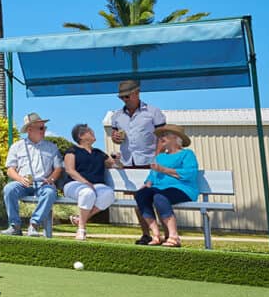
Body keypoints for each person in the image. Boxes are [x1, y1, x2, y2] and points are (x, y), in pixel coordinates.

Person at [109, 79, 167, 244]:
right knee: (139, 200)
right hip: (129, 163)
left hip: (150, 162)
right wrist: (115, 138)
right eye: (121, 97)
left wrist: (157, 159)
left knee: (157, 198)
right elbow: (116, 138)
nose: (124, 100)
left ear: (137, 92)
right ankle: (147, 235)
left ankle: (169, 235)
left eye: (127, 96)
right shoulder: (117, 116)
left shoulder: (153, 112)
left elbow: (162, 138)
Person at [133, 124, 198, 247]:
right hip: (159, 188)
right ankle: (156, 235)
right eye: (161, 135)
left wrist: (164, 170)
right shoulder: (160, 157)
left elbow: (190, 174)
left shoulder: (187, 154)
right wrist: (147, 183)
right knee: (141, 195)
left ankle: (174, 237)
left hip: (182, 189)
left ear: (176, 138)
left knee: (159, 197)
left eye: (166, 135)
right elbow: (153, 175)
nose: (162, 137)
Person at [0, 113, 64, 237]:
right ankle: (15, 226)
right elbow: (10, 170)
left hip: (43, 184)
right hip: (23, 183)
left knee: (50, 192)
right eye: (41, 128)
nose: (44, 130)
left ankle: (34, 225)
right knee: (9, 189)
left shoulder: (52, 147)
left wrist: (51, 179)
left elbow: (58, 168)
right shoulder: (17, 146)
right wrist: (20, 179)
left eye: (44, 127)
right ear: (29, 130)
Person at [64, 124, 121, 240]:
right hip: (74, 185)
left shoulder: (99, 153)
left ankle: (80, 219)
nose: (93, 133)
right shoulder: (72, 151)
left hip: (96, 186)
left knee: (109, 194)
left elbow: (117, 166)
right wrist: (86, 182)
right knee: (87, 193)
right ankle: (81, 229)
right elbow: (70, 170)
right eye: (90, 131)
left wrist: (117, 159)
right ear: (81, 136)